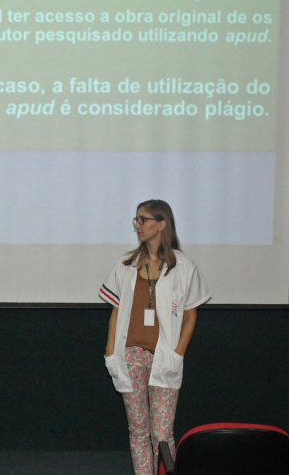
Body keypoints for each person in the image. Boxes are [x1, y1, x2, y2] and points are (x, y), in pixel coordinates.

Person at [99, 200, 211, 475]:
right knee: (138, 431)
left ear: (162, 224)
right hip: (130, 356)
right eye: (136, 220)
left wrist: (178, 353)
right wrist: (111, 351)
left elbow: (190, 316)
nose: (137, 225)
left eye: (143, 220)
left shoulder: (184, 267)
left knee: (161, 434)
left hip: (164, 357)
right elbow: (116, 311)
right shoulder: (126, 264)